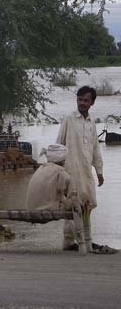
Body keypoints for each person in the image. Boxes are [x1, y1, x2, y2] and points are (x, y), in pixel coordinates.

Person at [56, 85, 116, 254]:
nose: (82, 103)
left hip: (86, 172)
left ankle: (84, 239)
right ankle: (69, 242)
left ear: (92, 103)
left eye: (86, 100)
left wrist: (99, 172)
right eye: (80, 99)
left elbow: (95, 149)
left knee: (86, 205)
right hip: (70, 171)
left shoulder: (91, 123)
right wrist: (56, 168)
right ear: (77, 100)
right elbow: (59, 144)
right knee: (71, 206)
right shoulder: (68, 119)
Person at [25, 144, 72, 211]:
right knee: (73, 202)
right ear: (63, 161)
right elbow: (69, 192)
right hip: (45, 209)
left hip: (30, 208)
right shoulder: (60, 172)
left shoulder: (41, 168)